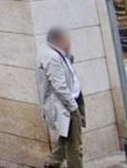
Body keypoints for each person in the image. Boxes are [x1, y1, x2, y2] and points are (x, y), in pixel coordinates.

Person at [38, 27, 84, 168]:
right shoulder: (52, 57)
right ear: (58, 41)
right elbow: (59, 86)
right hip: (66, 105)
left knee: (67, 137)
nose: (69, 43)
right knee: (75, 146)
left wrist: (68, 56)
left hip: (72, 101)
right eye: (66, 40)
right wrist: (72, 107)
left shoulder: (58, 54)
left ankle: (53, 163)